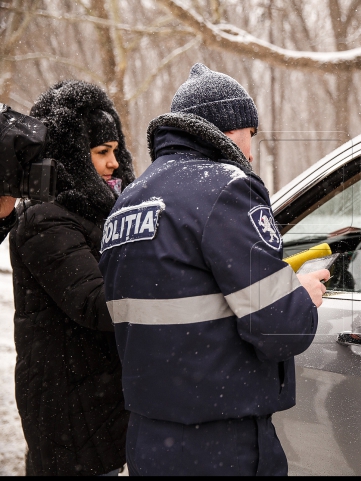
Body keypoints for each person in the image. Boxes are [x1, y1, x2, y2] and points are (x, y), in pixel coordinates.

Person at [99, 63, 328, 476]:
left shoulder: (128, 201)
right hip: (222, 442)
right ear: (226, 127)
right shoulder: (225, 186)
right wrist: (301, 296)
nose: (251, 152)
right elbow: (281, 327)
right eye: (249, 134)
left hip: (148, 437)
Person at [9, 80, 134, 476]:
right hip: (69, 406)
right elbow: (97, 304)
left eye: (116, 151)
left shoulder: (96, 215)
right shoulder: (43, 219)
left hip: (97, 398)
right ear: (71, 157)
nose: (114, 163)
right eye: (101, 152)